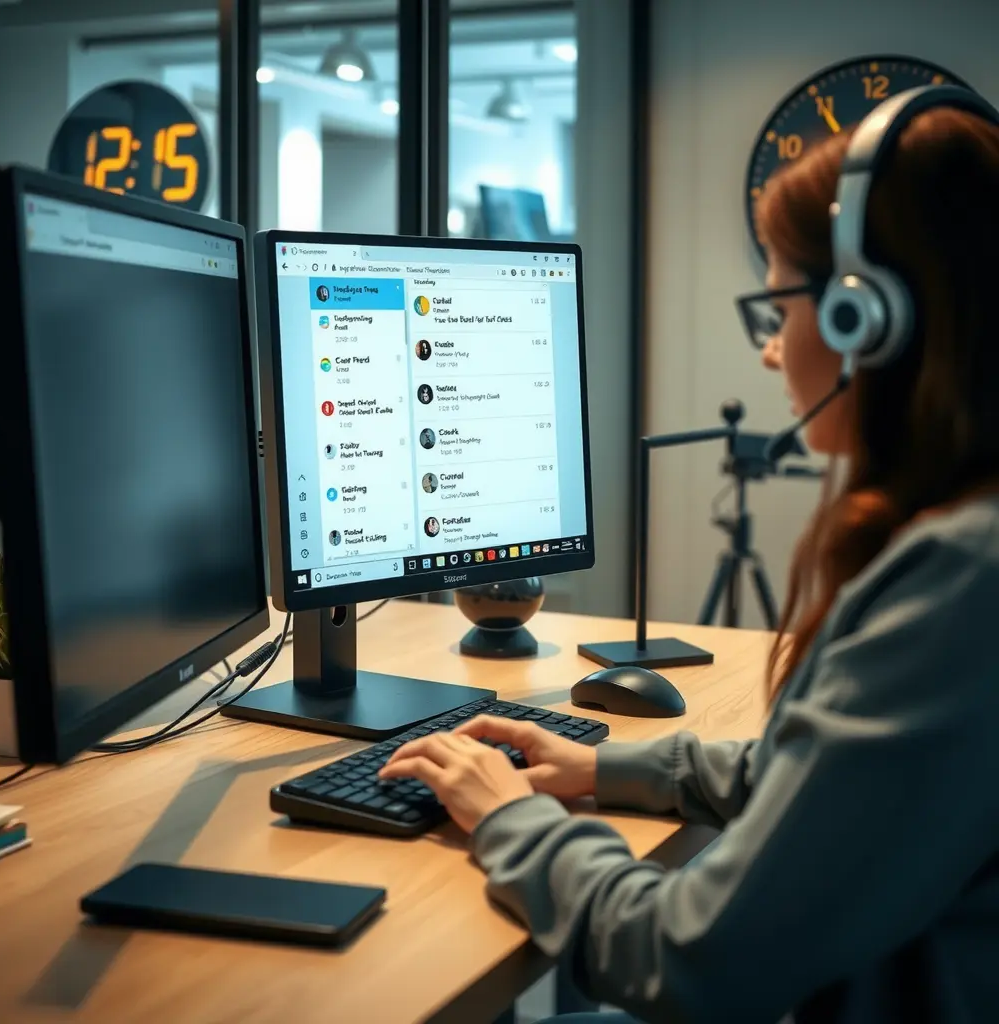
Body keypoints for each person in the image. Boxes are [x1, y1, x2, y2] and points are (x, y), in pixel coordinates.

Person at [379, 96, 999, 1022]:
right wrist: (609, 769)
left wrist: (511, 820)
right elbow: (838, 795)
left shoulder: (964, 582)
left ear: (863, 318)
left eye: (778, 303)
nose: (769, 349)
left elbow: (688, 959)